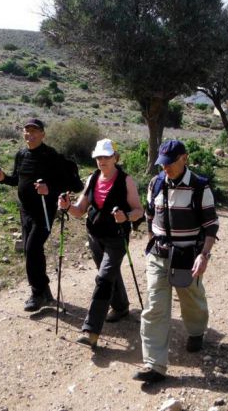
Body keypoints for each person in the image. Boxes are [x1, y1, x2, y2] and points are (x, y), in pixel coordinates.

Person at [133, 140, 219, 384]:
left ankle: (196, 331)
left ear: (185, 159)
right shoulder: (156, 183)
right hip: (159, 255)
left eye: (170, 163)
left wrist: (204, 254)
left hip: (187, 256)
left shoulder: (200, 186)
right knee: (154, 307)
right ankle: (154, 364)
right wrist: (152, 243)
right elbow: (150, 214)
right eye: (163, 164)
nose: (166, 169)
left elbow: (211, 225)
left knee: (191, 299)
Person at [58, 139, 143, 348]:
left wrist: (126, 217)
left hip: (116, 238)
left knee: (104, 279)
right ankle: (121, 307)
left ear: (115, 157)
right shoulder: (93, 178)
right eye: (98, 157)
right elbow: (79, 210)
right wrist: (67, 206)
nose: (102, 160)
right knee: (109, 274)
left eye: (106, 156)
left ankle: (91, 330)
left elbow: (139, 211)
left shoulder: (126, 181)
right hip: (94, 236)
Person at [0, 118, 67, 312]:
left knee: (32, 249)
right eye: (27, 131)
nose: (30, 134)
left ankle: (36, 293)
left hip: (44, 210)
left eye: (34, 131)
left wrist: (48, 188)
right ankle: (46, 292)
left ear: (43, 134)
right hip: (25, 211)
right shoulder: (21, 154)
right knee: (32, 250)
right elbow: (18, 179)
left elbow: (66, 183)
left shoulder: (50, 155)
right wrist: (4, 179)